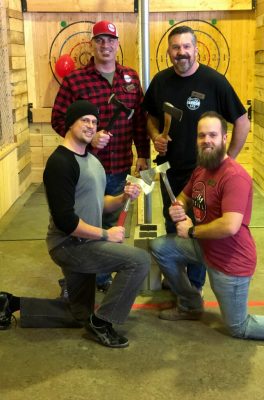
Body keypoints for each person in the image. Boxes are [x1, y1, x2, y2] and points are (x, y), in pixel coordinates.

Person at [0, 100, 150, 348]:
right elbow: (66, 221)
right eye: (85, 120)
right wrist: (106, 234)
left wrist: (123, 197)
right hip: (70, 244)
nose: (91, 126)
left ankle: (11, 303)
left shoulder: (90, 160)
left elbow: (99, 203)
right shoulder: (60, 163)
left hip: (85, 242)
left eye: (94, 121)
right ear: (70, 123)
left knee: (77, 314)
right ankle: (103, 323)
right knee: (139, 260)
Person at [150, 111, 264, 341]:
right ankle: (191, 304)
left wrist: (191, 230)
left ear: (224, 138)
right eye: (202, 135)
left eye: (212, 134)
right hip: (205, 248)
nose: (206, 140)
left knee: (238, 327)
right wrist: (178, 206)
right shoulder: (202, 168)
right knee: (161, 247)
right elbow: (185, 195)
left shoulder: (234, 176)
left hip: (230, 262)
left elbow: (230, 226)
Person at [143, 25, 250, 293]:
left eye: (186, 47)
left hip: (204, 175)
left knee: (200, 229)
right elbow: (150, 117)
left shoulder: (214, 81)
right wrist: (156, 135)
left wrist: (228, 162)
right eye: (176, 47)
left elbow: (242, 121)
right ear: (168, 51)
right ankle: (178, 282)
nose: (182, 53)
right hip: (173, 171)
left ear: (196, 49)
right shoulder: (160, 81)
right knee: (174, 224)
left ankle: (195, 285)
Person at [51, 20, 150, 291]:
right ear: (92, 45)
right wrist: (88, 137)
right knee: (82, 223)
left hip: (118, 165)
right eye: (100, 40)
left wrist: (142, 153)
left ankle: (102, 275)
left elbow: (139, 120)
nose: (105, 45)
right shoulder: (75, 80)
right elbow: (58, 119)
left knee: (110, 219)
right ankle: (77, 277)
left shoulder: (130, 79)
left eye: (111, 40)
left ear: (118, 45)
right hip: (85, 167)